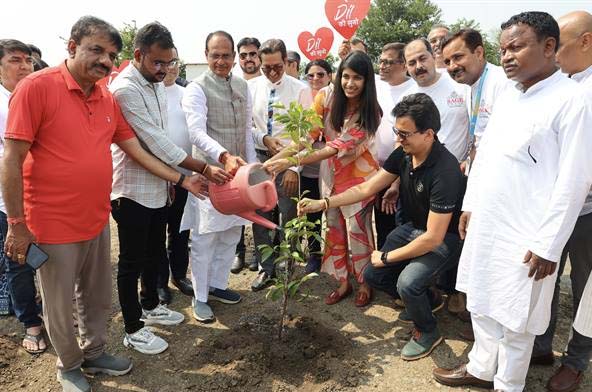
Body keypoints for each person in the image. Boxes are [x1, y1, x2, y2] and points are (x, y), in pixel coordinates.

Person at [1, 16, 208, 392]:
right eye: (96, 50)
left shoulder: (106, 97)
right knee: (60, 302)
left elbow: (135, 149)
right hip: (51, 222)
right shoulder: (35, 88)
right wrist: (17, 223)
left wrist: (181, 179)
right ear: (72, 47)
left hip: (96, 218)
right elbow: (11, 159)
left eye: (111, 54)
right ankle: (69, 365)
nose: (105, 60)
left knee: (96, 297)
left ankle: (95, 352)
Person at [432, 12, 592, 392]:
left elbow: (574, 180)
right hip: (490, 222)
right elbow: (484, 154)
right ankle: (482, 369)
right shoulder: (508, 95)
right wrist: (470, 205)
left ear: (549, 47)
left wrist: (549, 244)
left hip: (529, 234)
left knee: (517, 319)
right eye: (503, 49)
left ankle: (508, 384)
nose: (506, 56)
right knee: (482, 301)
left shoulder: (574, 101)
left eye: (516, 47)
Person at [298, 92, 463, 357]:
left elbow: (433, 237)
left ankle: (427, 331)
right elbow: (367, 187)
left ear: (428, 134)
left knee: (406, 283)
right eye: (397, 131)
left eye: (405, 134)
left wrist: (387, 256)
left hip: (446, 238)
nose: (398, 139)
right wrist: (324, 204)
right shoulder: (405, 154)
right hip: (414, 228)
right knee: (373, 275)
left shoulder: (445, 170)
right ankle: (429, 300)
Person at [109, 22, 231, 355]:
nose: (164, 70)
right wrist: (200, 169)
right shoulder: (125, 90)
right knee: (131, 261)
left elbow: (163, 140)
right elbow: (156, 142)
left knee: (153, 253)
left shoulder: (154, 84)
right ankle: (133, 328)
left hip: (159, 186)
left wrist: (171, 181)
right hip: (131, 191)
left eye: (169, 63)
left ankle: (150, 306)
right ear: (138, 55)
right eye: (157, 63)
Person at [264, 51, 381, 308]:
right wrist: (274, 161)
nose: (350, 83)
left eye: (357, 78)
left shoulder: (372, 111)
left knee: (358, 231)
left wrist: (290, 162)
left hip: (360, 178)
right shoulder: (325, 96)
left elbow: (335, 147)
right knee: (334, 228)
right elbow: (307, 136)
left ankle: (365, 282)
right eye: (346, 77)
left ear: (367, 81)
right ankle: (343, 281)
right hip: (330, 175)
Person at [529, 10, 592, 392]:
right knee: (545, 278)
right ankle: (540, 345)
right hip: (551, 207)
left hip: (587, 213)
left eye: (559, 47)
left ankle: (576, 360)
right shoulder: (561, 85)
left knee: (585, 288)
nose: (552, 56)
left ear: (585, 41)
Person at [180, 30, 256, 322]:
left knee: (231, 234)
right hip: (209, 175)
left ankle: (218, 285)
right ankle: (200, 297)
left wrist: (250, 167)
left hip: (237, 179)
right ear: (206, 56)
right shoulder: (196, 88)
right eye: (216, 55)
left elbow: (246, 131)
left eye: (226, 55)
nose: (221, 61)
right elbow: (196, 133)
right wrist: (223, 156)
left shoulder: (241, 85)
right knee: (205, 238)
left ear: (234, 58)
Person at [440, 28, 510, 322]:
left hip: (500, 187)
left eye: (458, 56)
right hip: (479, 180)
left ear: (479, 52)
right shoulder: (472, 86)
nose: (453, 65)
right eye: (447, 61)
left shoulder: (502, 84)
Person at [248, 38, 313, 291]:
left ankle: (286, 264)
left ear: (287, 61)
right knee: (259, 215)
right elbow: (248, 127)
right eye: (267, 68)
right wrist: (263, 137)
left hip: (289, 162)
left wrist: (293, 167)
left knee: (288, 214)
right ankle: (266, 269)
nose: (272, 72)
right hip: (260, 159)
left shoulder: (300, 89)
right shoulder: (251, 87)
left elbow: (307, 134)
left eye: (277, 66)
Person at [0, 39, 45, 354]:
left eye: (28, 60)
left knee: (47, 259)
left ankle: (53, 312)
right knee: (19, 262)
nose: (26, 66)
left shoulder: (35, 97)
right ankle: (31, 323)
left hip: (46, 198)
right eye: (16, 60)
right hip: (11, 203)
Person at [155, 47, 194, 305]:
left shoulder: (188, 93)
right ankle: (159, 282)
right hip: (156, 176)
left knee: (180, 231)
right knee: (156, 232)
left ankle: (178, 275)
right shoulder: (148, 93)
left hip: (185, 176)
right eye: (164, 62)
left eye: (174, 61)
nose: (170, 67)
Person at [374, 42, 416, 250]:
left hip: (404, 172)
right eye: (381, 61)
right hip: (379, 171)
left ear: (403, 64)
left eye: (388, 62)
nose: (382, 66)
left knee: (402, 225)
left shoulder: (414, 91)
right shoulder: (377, 87)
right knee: (383, 224)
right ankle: (383, 271)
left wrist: (396, 181)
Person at [403, 38, 470, 162]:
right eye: (412, 63)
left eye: (422, 59)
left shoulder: (460, 84)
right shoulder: (406, 99)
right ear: (405, 66)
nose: (419, 66)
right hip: (422, 172)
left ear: (433, 56)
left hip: (459, 170)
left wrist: (471, 159)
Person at [231, 36, 262, 274]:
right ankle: (238, 252)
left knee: (260, 206)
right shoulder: (232, 83)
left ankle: (260, 255)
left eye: (252, 54)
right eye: (243, 55)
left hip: (260, 154)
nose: (248, 59)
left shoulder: (266, 84)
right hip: (235, 156)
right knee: (237, 205)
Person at [301, 59, 333, 273]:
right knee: (311, 215)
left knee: (332, 213)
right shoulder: (301, 98)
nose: (315, 79)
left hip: (331, 168)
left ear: (330, 76)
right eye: (310, 75)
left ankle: (335, 255)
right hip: (307, 168)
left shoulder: (336, 98)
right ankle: (314, 254)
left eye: (320, 74)